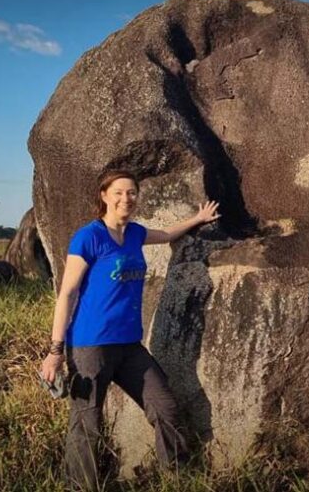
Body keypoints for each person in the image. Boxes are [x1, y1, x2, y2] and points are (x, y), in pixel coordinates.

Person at [40, 169, 221, 490]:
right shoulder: (89, 237)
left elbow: (165, 234)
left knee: (164, 405)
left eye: (132, 193)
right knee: (87, 424)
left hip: (129, 346)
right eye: (119, 192)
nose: (126, 198)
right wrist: (55, 351)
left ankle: (177, 480)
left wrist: (198, 218)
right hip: (89, 347)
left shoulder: (135, 233)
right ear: (105, 196)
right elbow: (67, 293)